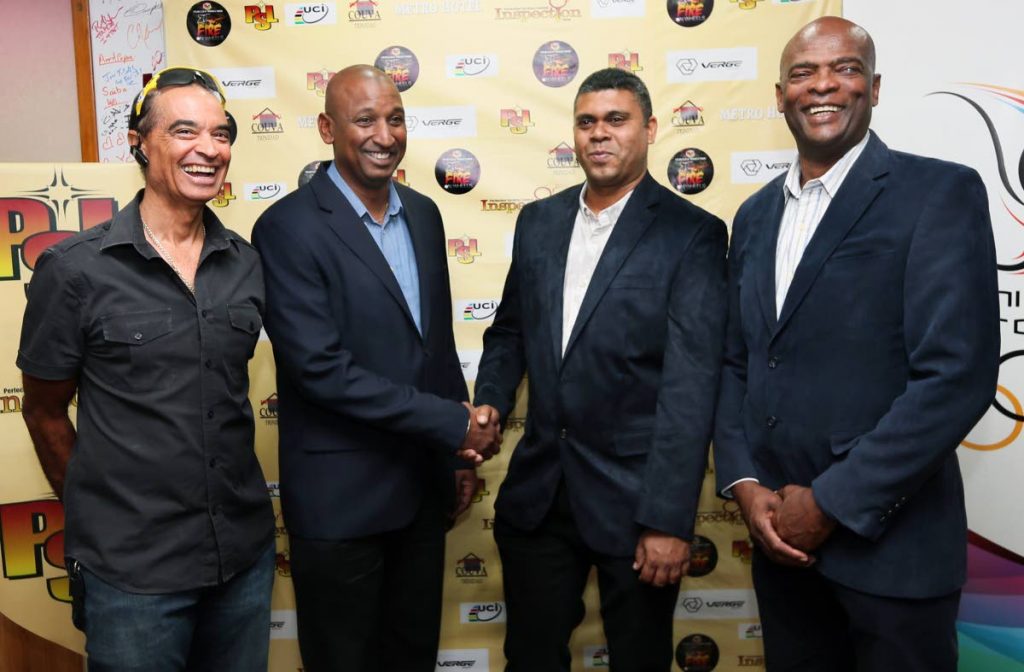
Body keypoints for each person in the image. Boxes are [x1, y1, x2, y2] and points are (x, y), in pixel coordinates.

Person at [713, 16, 1000, 672]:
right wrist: (748, 483)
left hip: (892, 554)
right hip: (782, 551)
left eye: (843, 69)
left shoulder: (937, 193)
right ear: (780, 93)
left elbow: (955, 377)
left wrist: (831, 503)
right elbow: (739, 361)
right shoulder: (755, 216)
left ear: (873, 87)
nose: (824, 86)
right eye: (804, 73)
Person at [18, 67, 274, 671]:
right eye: (185, 131)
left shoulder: (246, 263)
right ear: (140, 141)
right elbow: (44, 409)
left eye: (221, 133)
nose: (208, 149)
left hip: (241, 558)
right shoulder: (75, 270)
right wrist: (100, 517)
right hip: (130, 574)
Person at [473, 68, 728, 671]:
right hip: (539, 497)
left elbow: (692, 387)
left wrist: (668, 519)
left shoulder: (691, 235)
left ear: (649, 129)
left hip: (637, 507)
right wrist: (489, 399)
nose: (600, 134)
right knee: (531, 659)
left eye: (617, 120)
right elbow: (510, 330)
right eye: (587, 122)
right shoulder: (538, 222)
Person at [251, 65, 499, 672]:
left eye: (395, 119)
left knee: (413, 657)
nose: (383, 135)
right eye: (365, 120)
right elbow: (320, 370)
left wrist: (456, 455)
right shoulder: (286, 227)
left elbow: (434, 348)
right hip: (341, 508)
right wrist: (450, 424)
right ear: (327, 128)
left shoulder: (423, 213)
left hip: (420, 495)